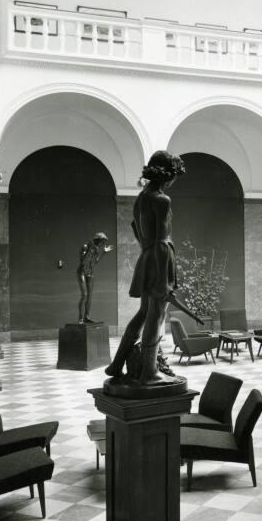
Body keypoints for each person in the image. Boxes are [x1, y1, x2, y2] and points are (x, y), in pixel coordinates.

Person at [105, 151, 185, 385]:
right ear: (167, 175)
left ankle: (117, 364)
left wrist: (147, 253)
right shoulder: (161, 199)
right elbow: (161, 240)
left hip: (147, 257)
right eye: (174, 176)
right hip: (159, 259)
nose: (174, 181)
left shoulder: (142, 197)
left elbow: (136, 229)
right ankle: (150, 372)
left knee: (143, 312)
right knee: (156, 314)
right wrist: (162, 280)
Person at [76, 232, 114, 324]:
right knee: (84, 295)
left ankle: (86, 317)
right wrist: (89, 251)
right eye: (102, 241)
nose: (103, 244)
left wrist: (104, 253)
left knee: (89, 296)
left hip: (90, 273)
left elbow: (95, 261)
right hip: (82, 272)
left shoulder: (96, 249)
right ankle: (80, 318)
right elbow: (82, 261)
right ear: (97, 239)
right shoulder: (86, 246)